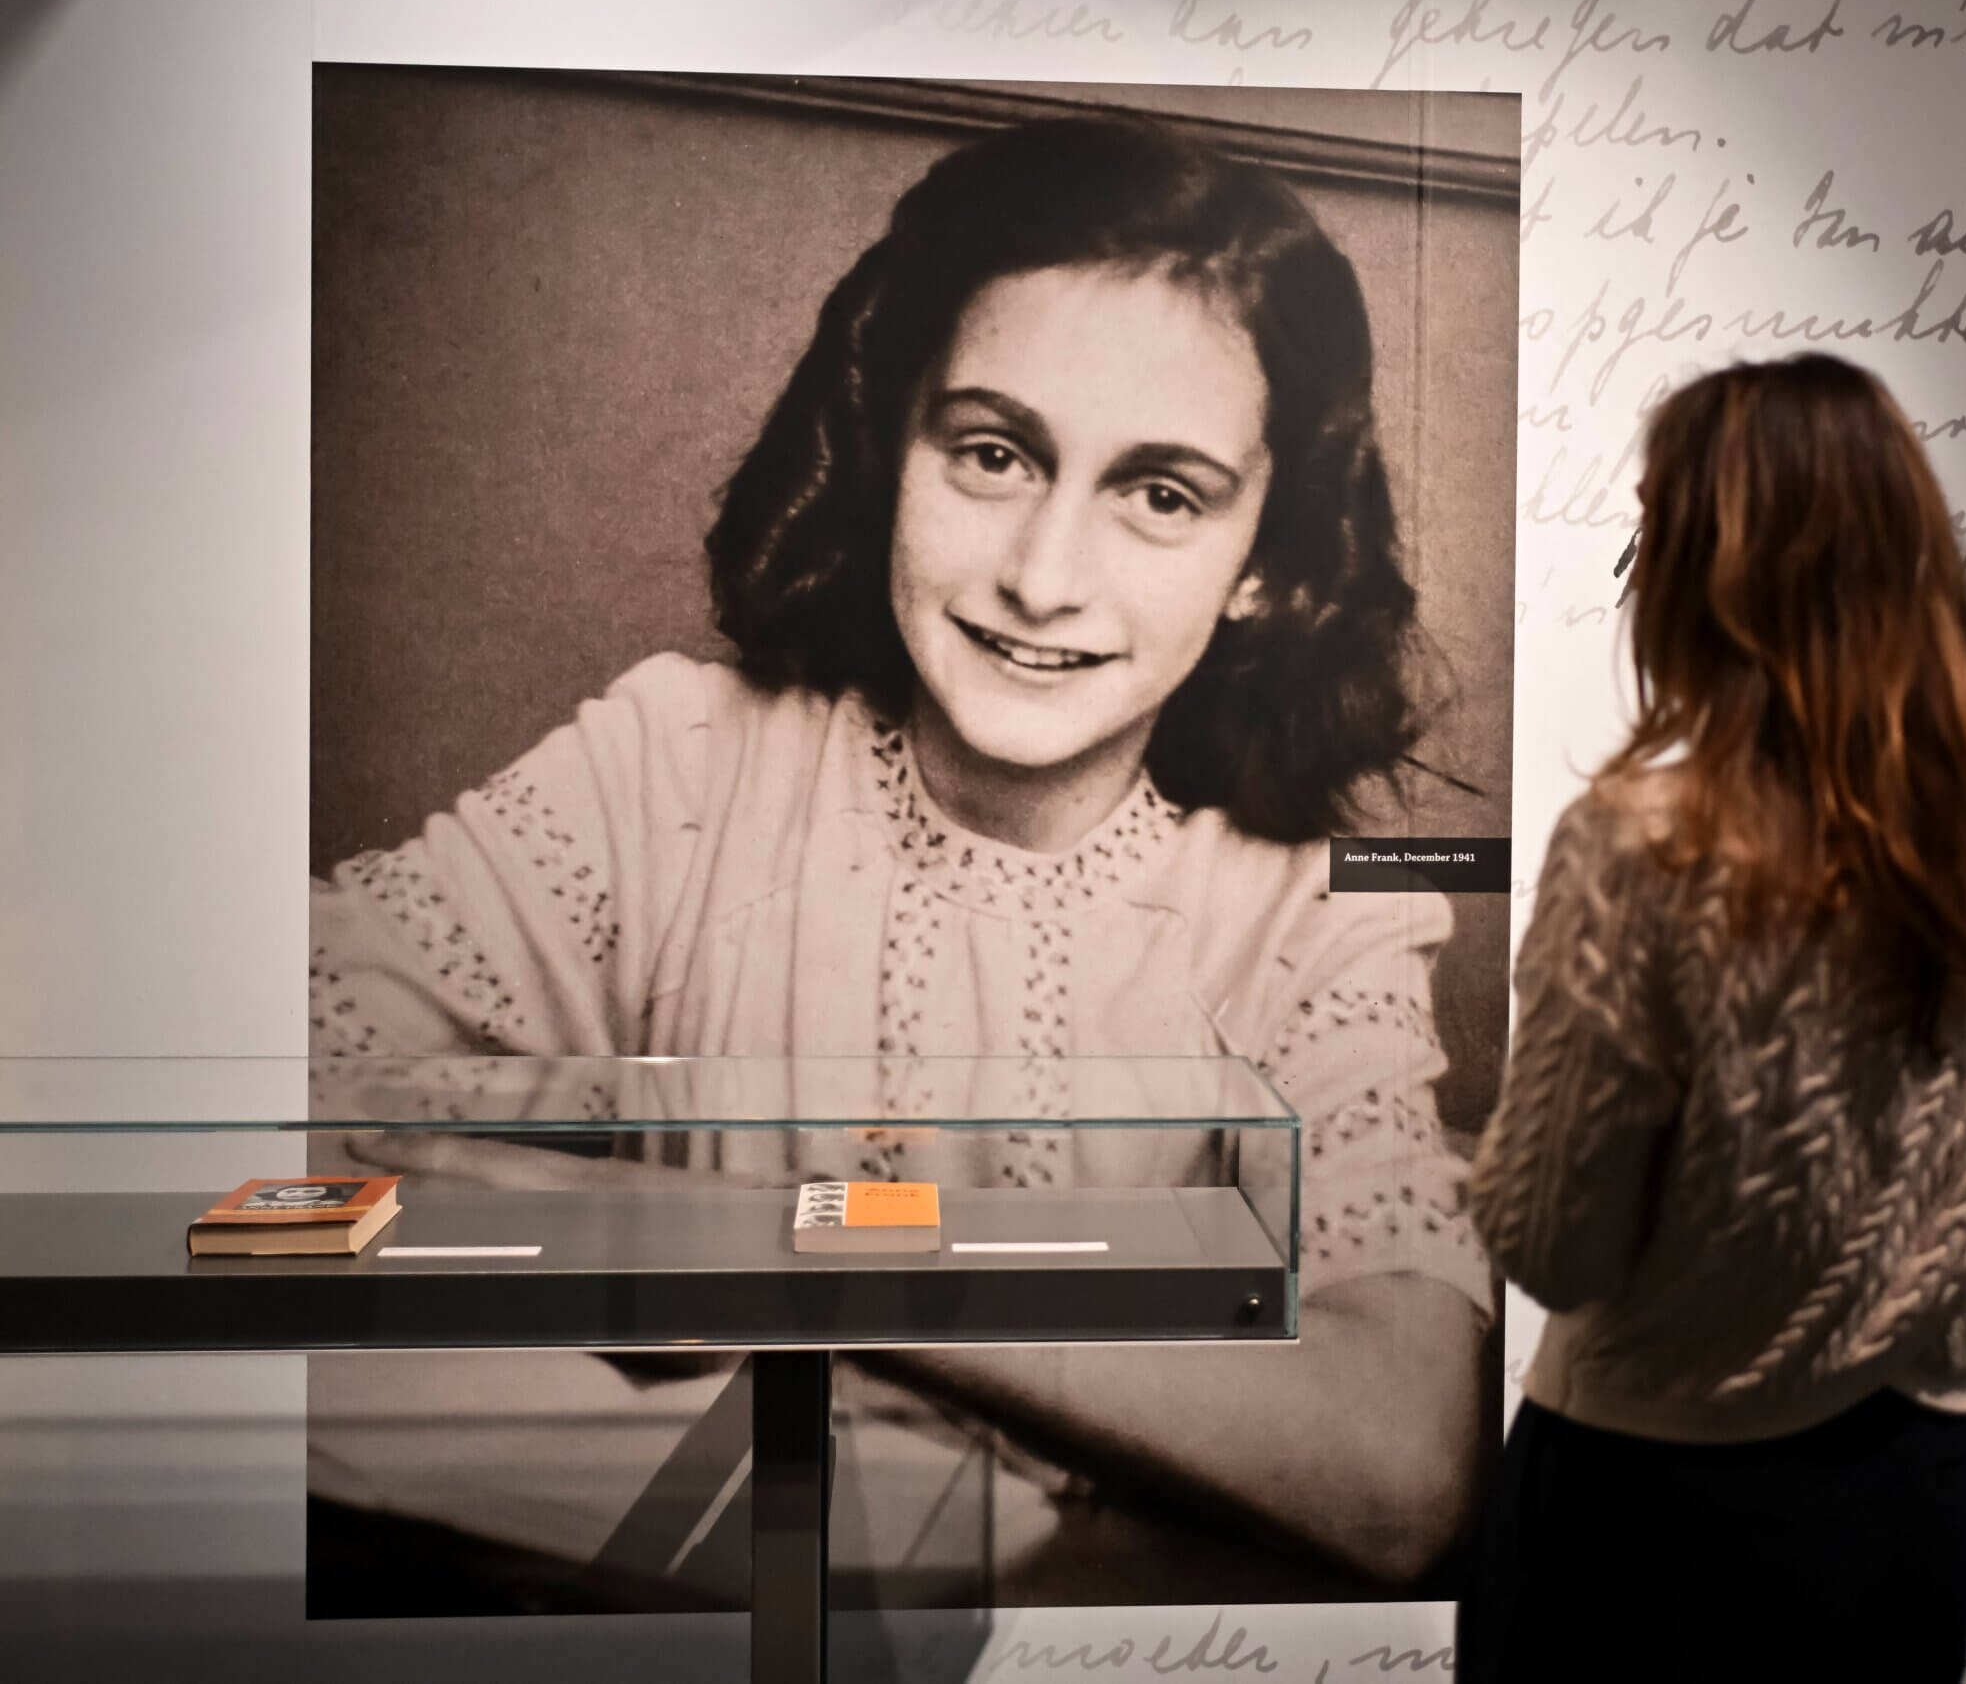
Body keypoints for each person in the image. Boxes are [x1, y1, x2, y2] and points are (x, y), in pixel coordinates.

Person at [305, 115, 1492, 1602]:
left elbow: (1400, 1468)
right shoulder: (677, 761)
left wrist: (802, 1248)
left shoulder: (1303, 919)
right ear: (892, 449)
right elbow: (264, 1090)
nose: (1043, 579)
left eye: (1161, 494)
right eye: (992, 453)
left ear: (1268, 564)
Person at [1458, 353, 1966, 1680]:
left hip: (1647, 1511)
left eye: (1654, 522)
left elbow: (1552, 1239)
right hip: (1909, 1499)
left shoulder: (1644, 848)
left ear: (1709, 570)